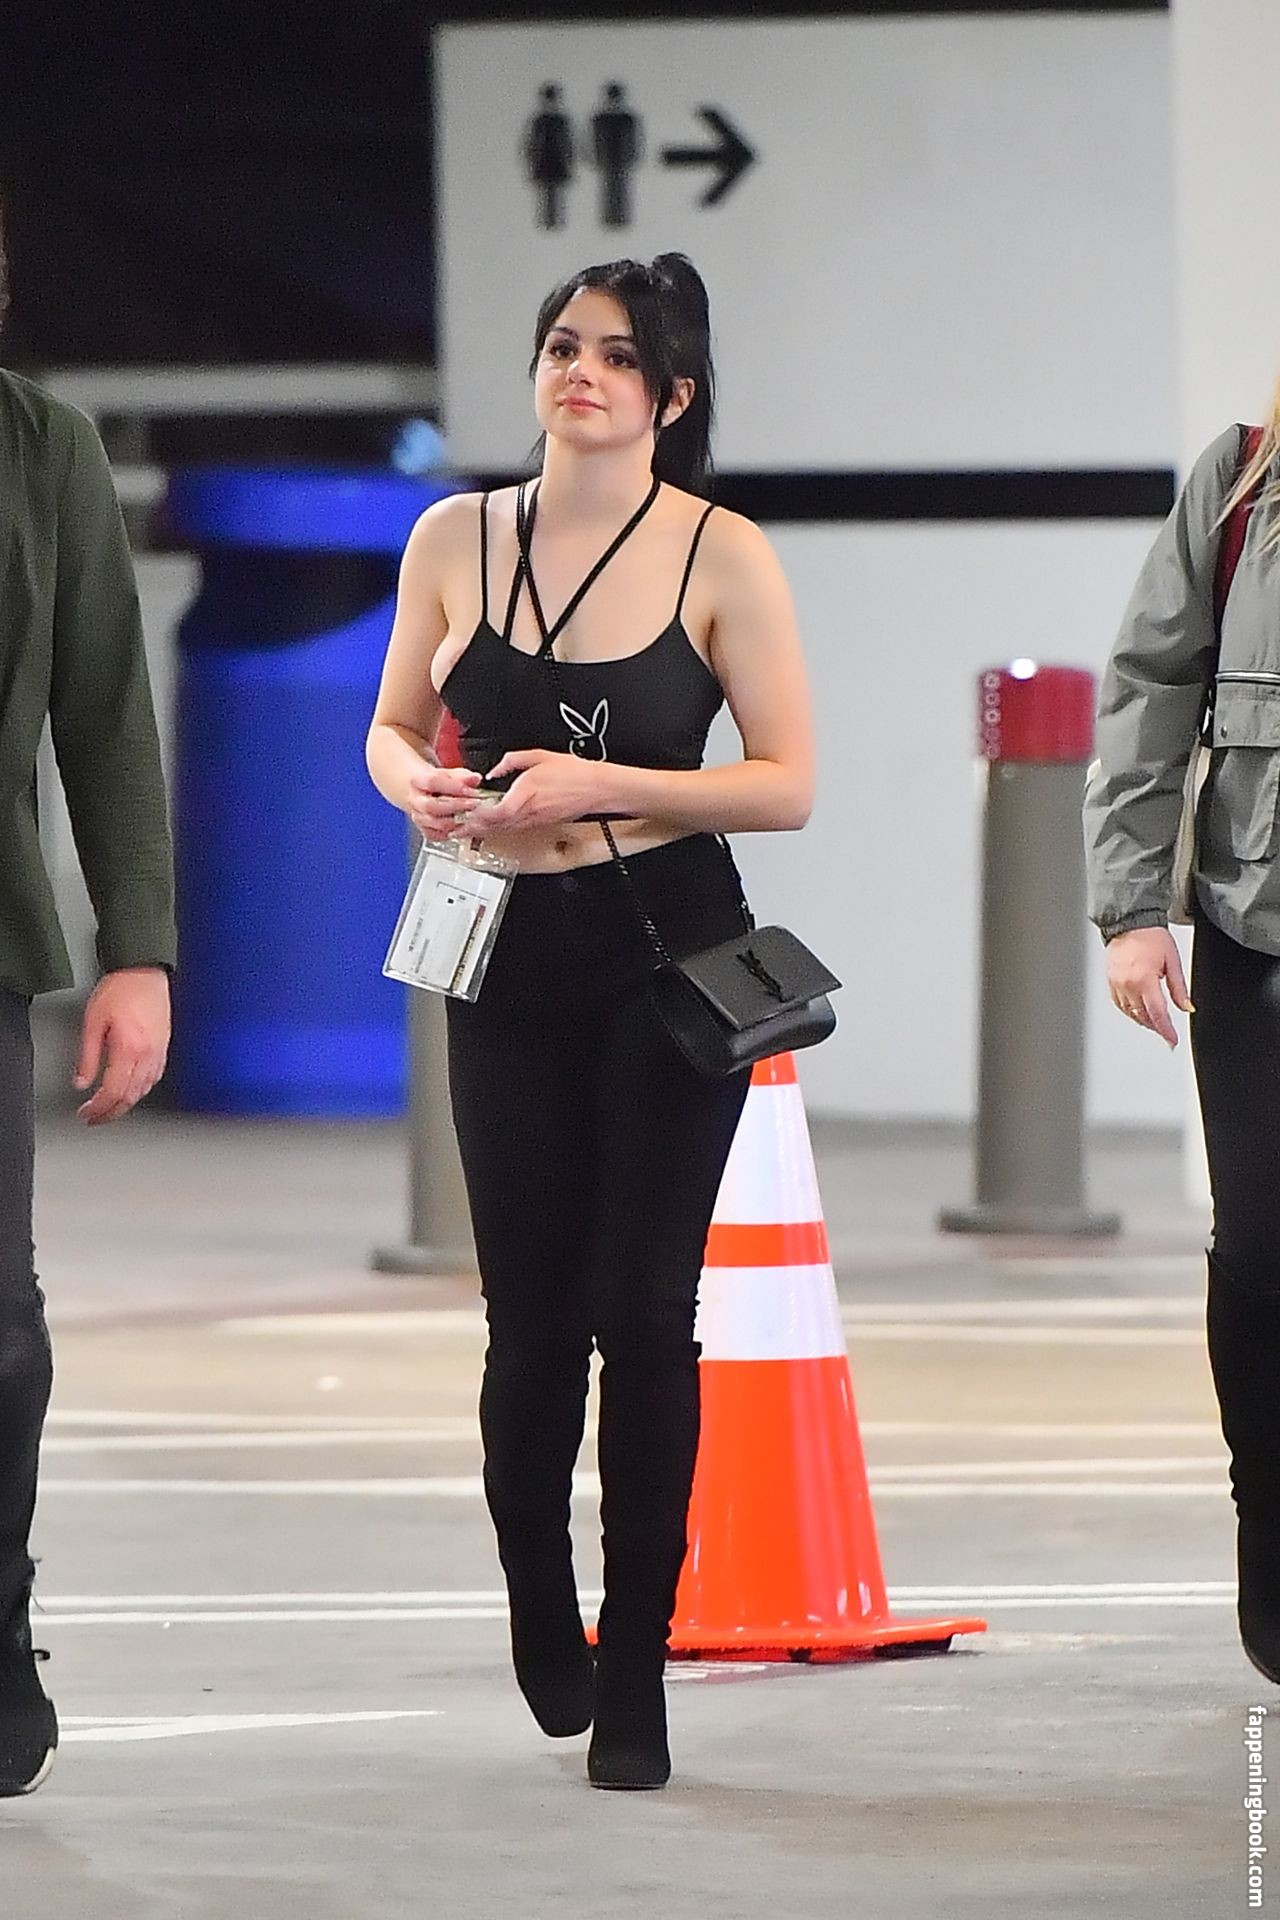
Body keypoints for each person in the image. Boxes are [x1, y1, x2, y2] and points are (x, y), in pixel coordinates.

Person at [367, 253, 813, 1789]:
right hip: (503, 942)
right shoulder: (455, 536)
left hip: (666, 949)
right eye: (563, 346)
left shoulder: (719, 552)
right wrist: (415, 783)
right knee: (529, 1321)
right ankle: (538, 1604)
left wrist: (600, 783)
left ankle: (638, 1675)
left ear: (671, 396)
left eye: (618, 357)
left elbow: (786, 783)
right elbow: (390, 721)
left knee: (645, 1314)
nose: (582, 373)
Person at [0, 284, 176, 1792]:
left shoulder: (43, 446)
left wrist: (140, 951)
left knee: (0, 1329)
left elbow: (106, 708)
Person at [1083, 401, 1280, 1689]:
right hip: (1260, 936)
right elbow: (1151, 686)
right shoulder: (1245, 479)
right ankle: (1272, 1521)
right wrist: (1132, 909)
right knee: (1261, 1260)